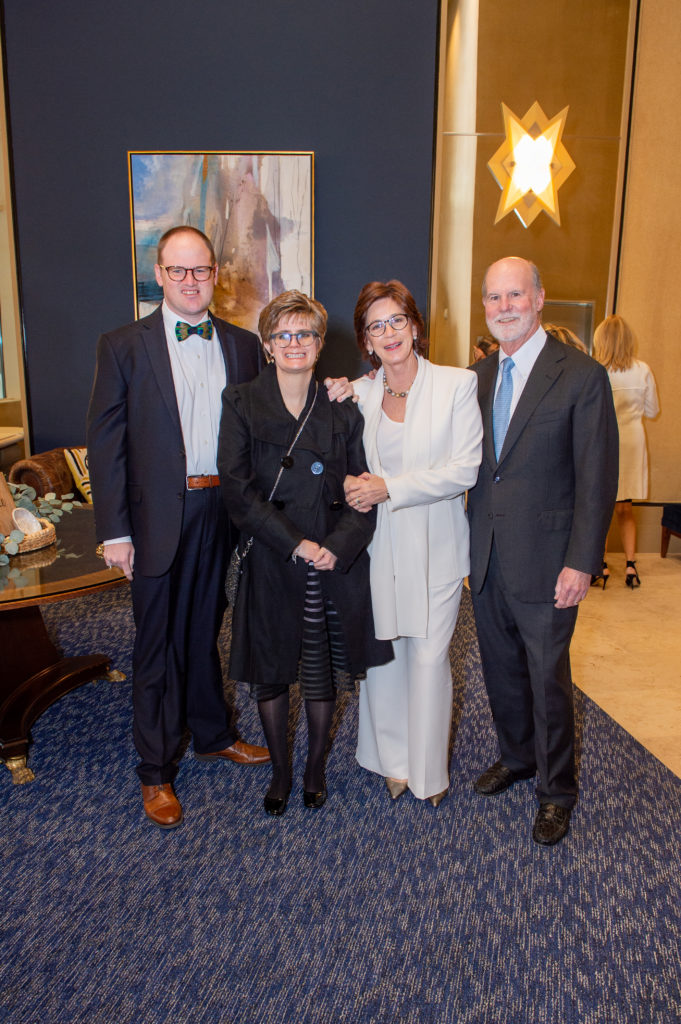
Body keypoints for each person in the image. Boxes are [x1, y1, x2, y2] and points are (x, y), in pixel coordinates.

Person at [87, 225, 270, 830]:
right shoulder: (123, 345)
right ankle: (155, 771)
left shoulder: (243, 346)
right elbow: (106, 445)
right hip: (153, 518)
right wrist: (115, 530)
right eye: (179, 271)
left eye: (202, 271)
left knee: (204, 629)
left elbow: (267, 422)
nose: (191, 282)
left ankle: (213, 733)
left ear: (216, 274)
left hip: (221, 512)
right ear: (160, 274)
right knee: (156, 645)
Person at [217, 290, 393, 816]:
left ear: (319, 345)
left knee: (318, 673)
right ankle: (281, 770)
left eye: (306, 334)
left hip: (325, 562)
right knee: (271, 672)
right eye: (284, 334)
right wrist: (295, 542)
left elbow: (362, 491)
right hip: (273, 553)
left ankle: (314, 766)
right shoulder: (241, 401)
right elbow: (236, 489)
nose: (295, 343)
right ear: (268, 345)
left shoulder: (341, 407)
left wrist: (335, 549)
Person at [467, 257, 618, 846]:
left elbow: (597, 479)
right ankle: (517, 756)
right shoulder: (475, 378)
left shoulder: (581, 376)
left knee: (547, 679)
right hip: (487, 555)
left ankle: (557, 791)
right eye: (494, 298)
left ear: (539, 298)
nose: (505, 307)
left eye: (515, 295)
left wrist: (582, 561)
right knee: (500, 670)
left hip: (552, 561)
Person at [344, 280, 483, 806]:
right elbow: (338, 460)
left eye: (396, 320)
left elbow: (464, 469)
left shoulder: (456, 384)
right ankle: (391, 760)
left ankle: (429, 774)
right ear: (366, 340)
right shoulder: (360, 393)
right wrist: (353, 487)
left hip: (438, 543)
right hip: (379, 545)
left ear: (415, 326)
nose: (388, 332)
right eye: (376, 325)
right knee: (387, 655)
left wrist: (389, 488)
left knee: (428, 657)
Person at [593, 314, 659, 588]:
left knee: (602, 507)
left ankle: (601, 564)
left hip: (604, 441)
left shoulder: (596, 370)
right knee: (625, 508)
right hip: (633, 440)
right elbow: (652, 410)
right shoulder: (642, 369)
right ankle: (631, 566)